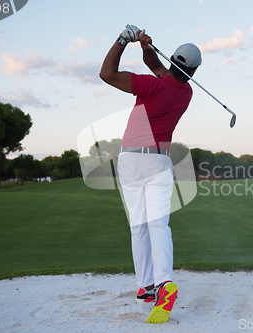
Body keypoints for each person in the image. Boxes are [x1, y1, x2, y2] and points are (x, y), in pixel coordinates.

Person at [99, 25, 201, 324]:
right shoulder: (186, 92)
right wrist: (145, 47)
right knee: (159, 225)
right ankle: (161, 284)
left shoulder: (152, 86)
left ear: (172, 60)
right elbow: (158, 68)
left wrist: (123, 40)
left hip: (133, 160)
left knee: (139, 227)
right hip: (160, 164)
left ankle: (145, 285)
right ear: (193, 71)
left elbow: (107, 73)